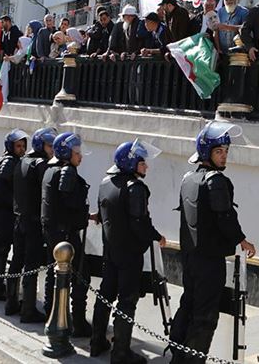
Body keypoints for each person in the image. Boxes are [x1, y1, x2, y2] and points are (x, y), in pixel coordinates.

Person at [169, 121, 256, 364]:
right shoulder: (215, 181)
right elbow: (225, 216)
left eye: (226, 151)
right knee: (205, 316)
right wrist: (242, 240)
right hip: (209, 260)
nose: (224, 155)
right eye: (219, 151)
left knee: (188, 304)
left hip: (190, 258)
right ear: (207, 152)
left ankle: (177, 356)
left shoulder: (189, 178)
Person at [89, 139, 165, 362]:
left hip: (110, 251)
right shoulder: (136, 188)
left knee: (105, 295)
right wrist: (157, 236)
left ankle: (96, 341)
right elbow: (139, 222)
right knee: (127, 300)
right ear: (131, 163)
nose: (146, 166)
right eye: (142, 163)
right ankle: (121, 352)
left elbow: (103, 215)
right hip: (130, 254)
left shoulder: (106, 183)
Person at [41, 132, 93, 336]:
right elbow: (68, 202)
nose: (80, 156)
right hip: (66, 235)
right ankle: (78, 322)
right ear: (66, 152)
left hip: (54, 232)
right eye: (77, 152)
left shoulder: (50, 169)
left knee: (54, 275)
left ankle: (52, 315)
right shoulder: (67, 172)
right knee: (80, 275)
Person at [12, 127, 56, 323]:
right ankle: (28, 309)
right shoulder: (41, 164)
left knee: (17, 262)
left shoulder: (23, 161)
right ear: (40, 145)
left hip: (20, 218)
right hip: (33, 222)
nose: (52, 149)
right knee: (31, 265)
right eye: (49, 145)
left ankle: (12, 302)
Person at [0, 129, 27, 306]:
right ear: (10, 146)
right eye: (18, 146)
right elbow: (5, 183)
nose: (22, 149)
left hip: (2, 212)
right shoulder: (10, 162)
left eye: (23, 146)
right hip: (4, 213)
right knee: (1, 249)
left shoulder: (2, 161)